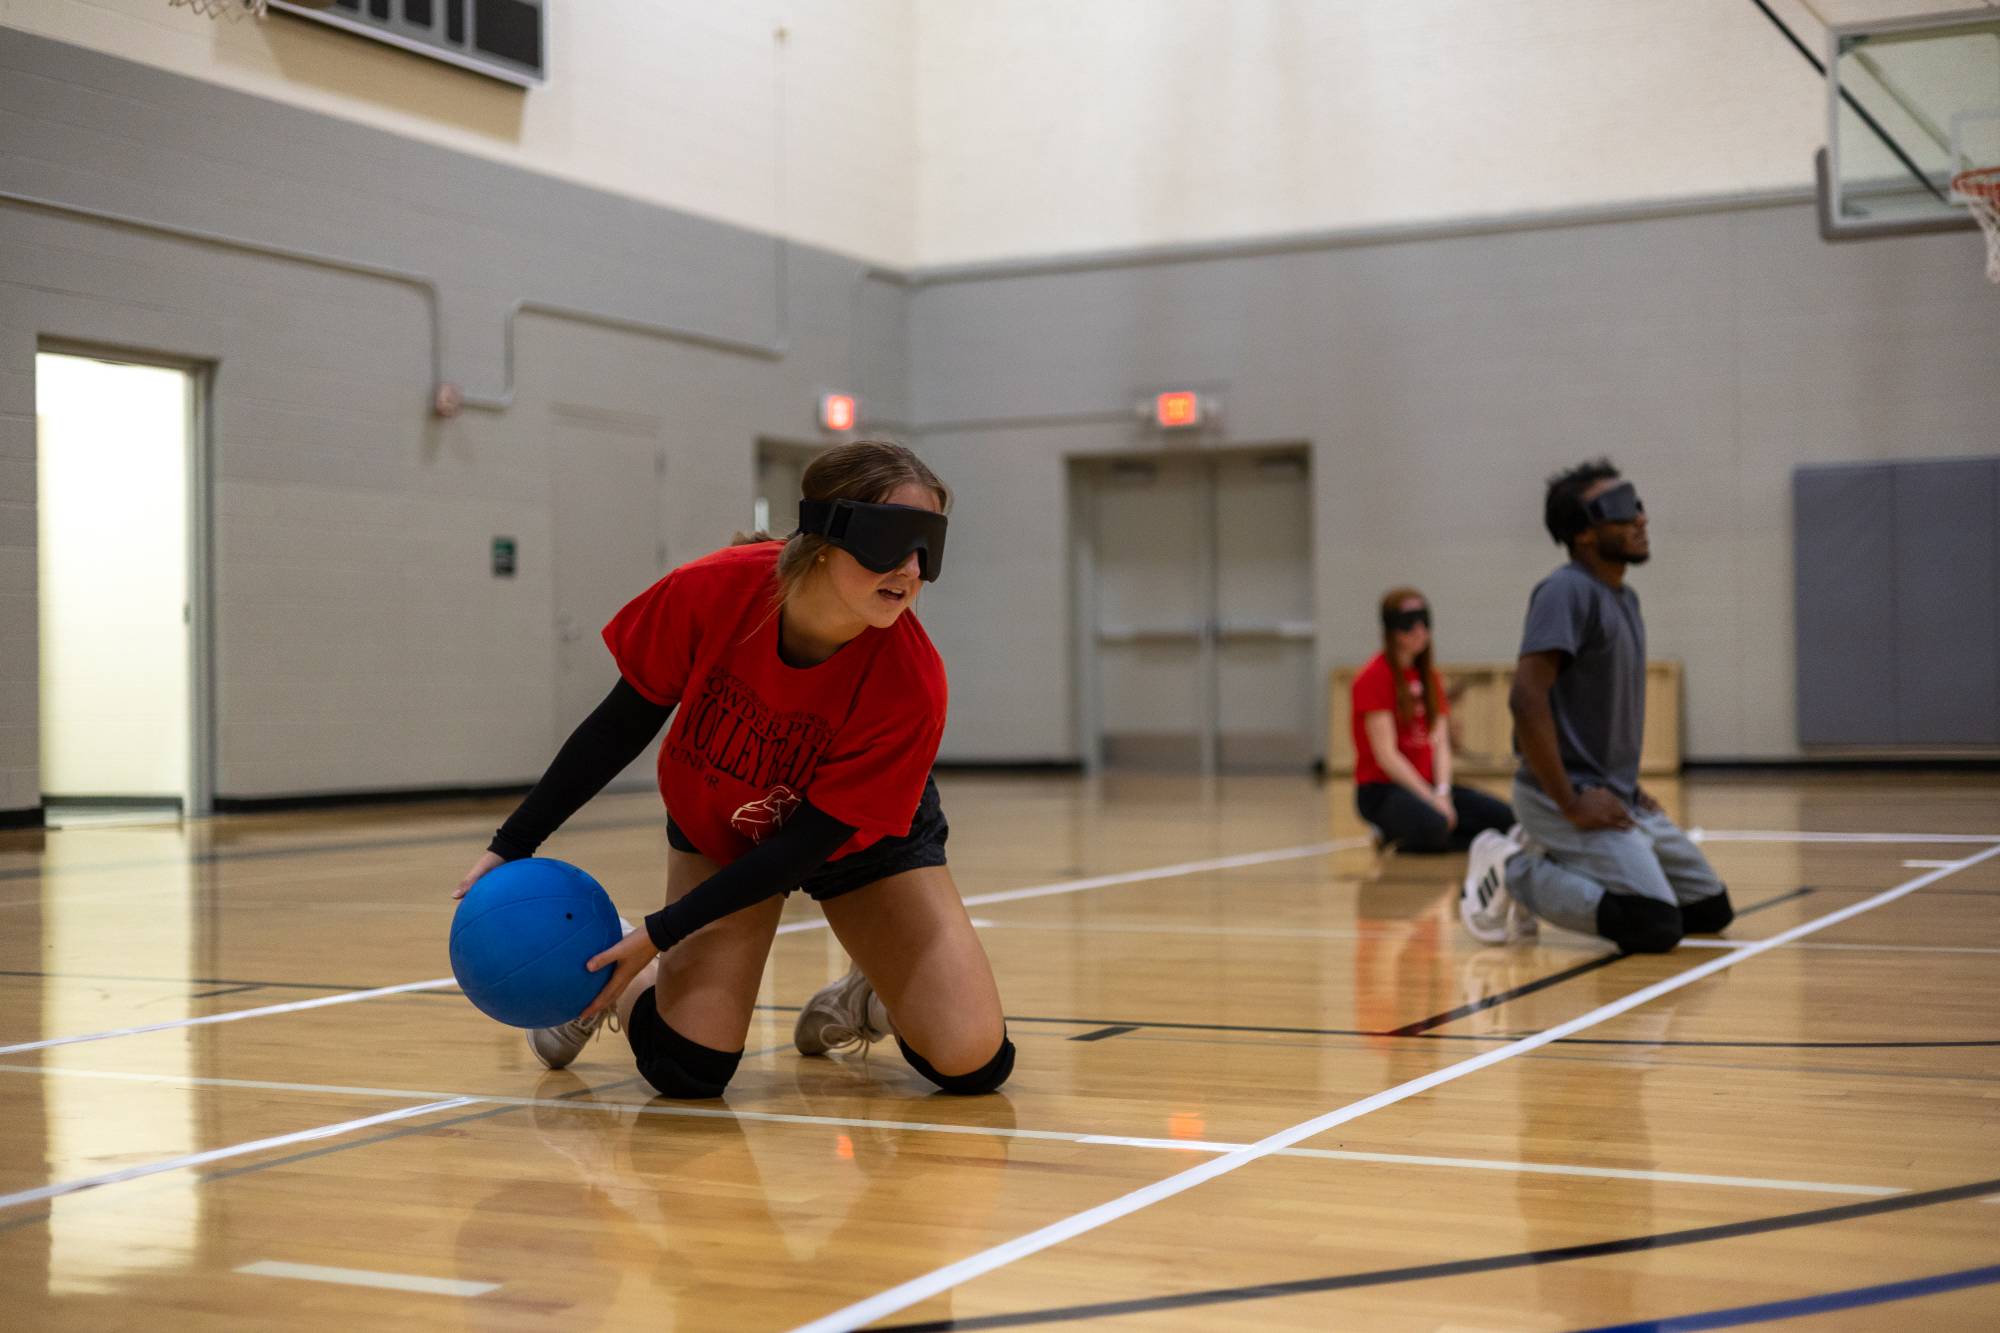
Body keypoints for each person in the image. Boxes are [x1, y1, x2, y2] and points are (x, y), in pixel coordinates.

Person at [454, 440, 1013, 1099]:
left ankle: (871, 995)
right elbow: (618, 726)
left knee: (974, 1062)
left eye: (931, 547)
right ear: (827, 534)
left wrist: (661, 932)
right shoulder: (715, 589)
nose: (914, 568)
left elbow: (803, 849)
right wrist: (512, 844)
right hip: (724, 818)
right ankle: (619, 986)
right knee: (688, 1069)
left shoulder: (912, 682)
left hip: (858, 838)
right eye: (895, 540)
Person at [1460, 459, 1733, 951]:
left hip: (1614, 794)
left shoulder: (1624, 598)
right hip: (1558, 797)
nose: (1641, 519)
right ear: (1584, 533)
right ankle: (1511, 868)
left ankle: (1553, 861)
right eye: (1624, 510)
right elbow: (1525, 699)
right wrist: (1569, 801)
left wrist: (1628, 785)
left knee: (1710, 909)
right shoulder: (1565, 591)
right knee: (1653, 926)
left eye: (1639, 505)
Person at [1350, 587, 1514, 853]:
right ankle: (1390, 831)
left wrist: (1443, 792)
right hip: (1383, 790)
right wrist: (1430, 799)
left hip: (1428, 785)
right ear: (1391, 629)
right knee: (1434, 826)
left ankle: (1431, 830)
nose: (1418, 630)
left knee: (1505, 819)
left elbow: (1440, 744)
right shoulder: (1373, 677)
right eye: (1408, 623)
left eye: (1423, 621)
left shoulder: (1430, 678)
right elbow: (1386, 755)